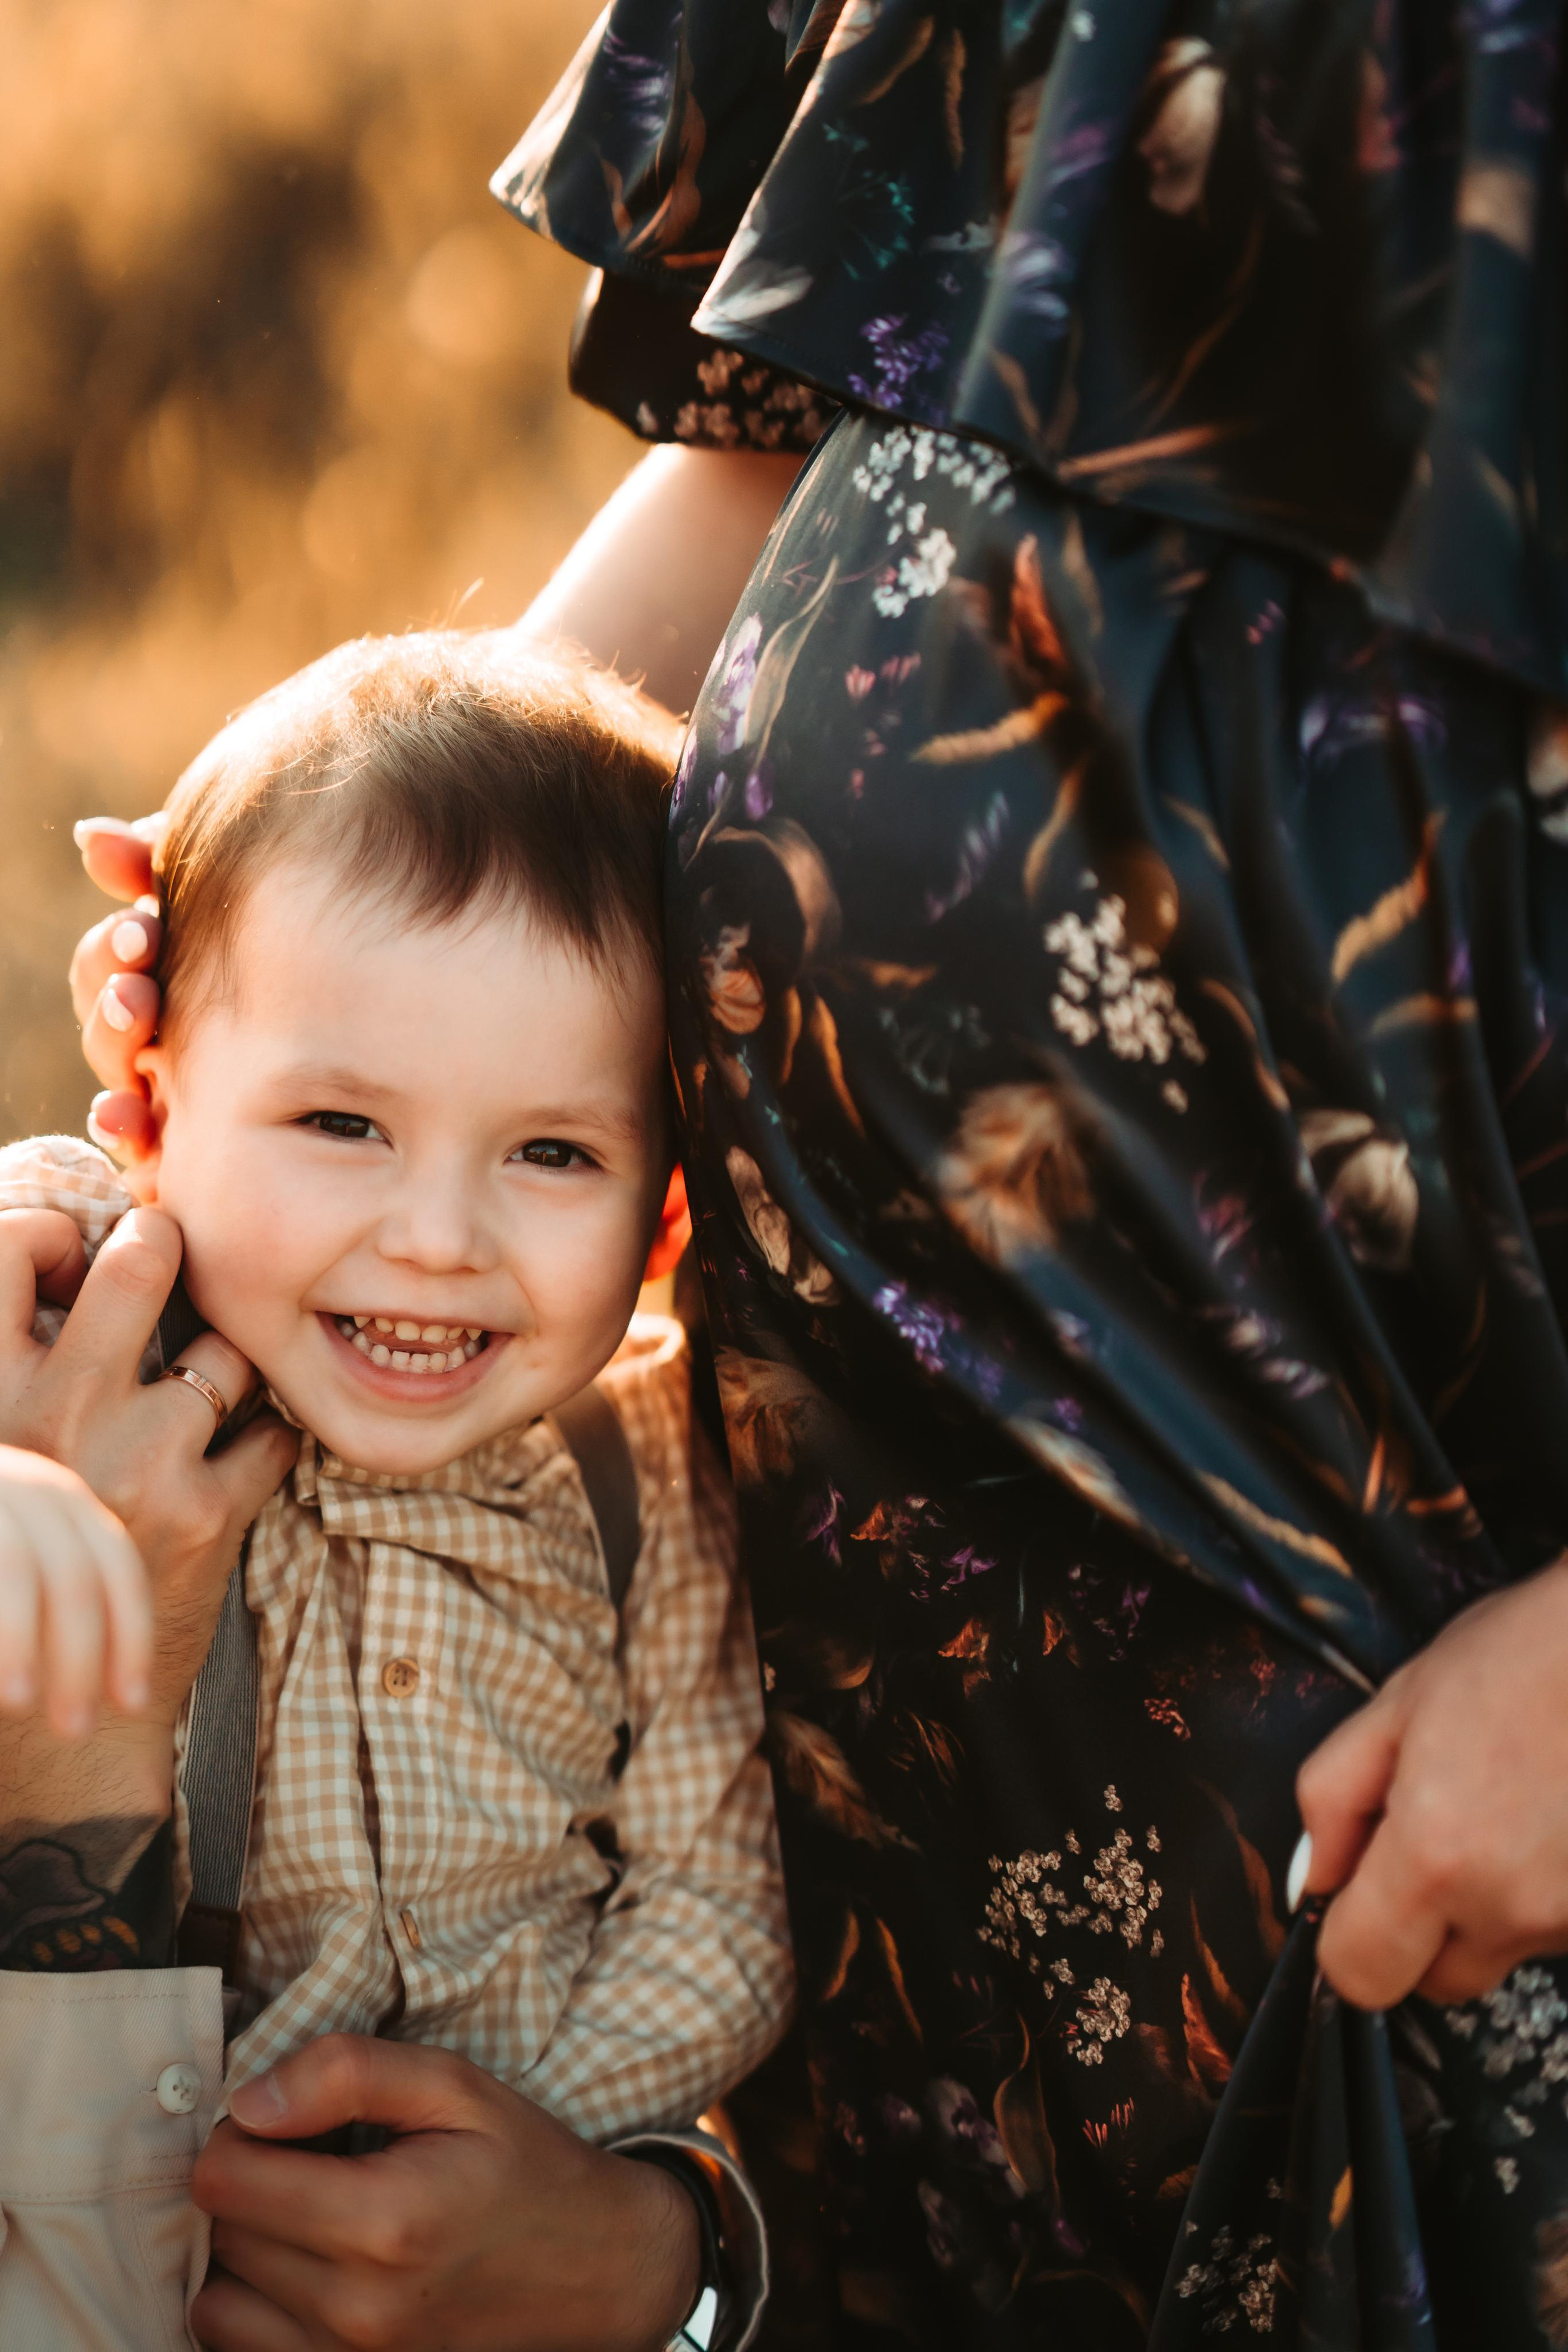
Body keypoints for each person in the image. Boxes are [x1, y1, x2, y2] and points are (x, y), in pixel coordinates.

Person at [47, 0, 1568, 2346]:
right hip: (903, 2037)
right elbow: (776, 439)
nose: (435, 1226)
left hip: (1417, 1899)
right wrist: (298, 962)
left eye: (545, 1158)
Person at [0, 627, 793, 2351]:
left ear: (662, 1223)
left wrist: (533, 2157)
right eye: (341, 1125)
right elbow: (42, 1217)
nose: (436, 1239)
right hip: (125, 2222)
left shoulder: (646, 1470)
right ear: (154, 1109)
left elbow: (716, 1900)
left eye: (552, 1153)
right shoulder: (113, 1356)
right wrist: (62, 1200)